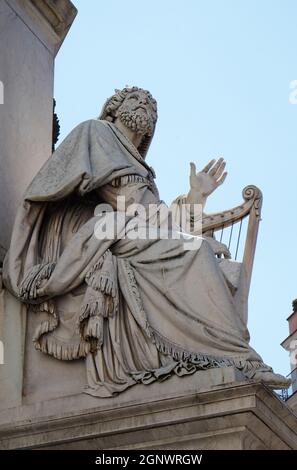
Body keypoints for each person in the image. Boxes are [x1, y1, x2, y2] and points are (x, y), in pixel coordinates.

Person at [3, 86, 290, 397]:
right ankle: (238, 357)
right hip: (104, 232)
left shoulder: (140, 167)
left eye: (152, 106)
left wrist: (196, 197)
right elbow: (54, 191)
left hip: (130, 229)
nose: (145, 106)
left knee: (224, 267)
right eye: (136, 100)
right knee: (195, 254)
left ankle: (223, 354)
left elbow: (152, 216)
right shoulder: (95, 132)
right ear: (114, 108)